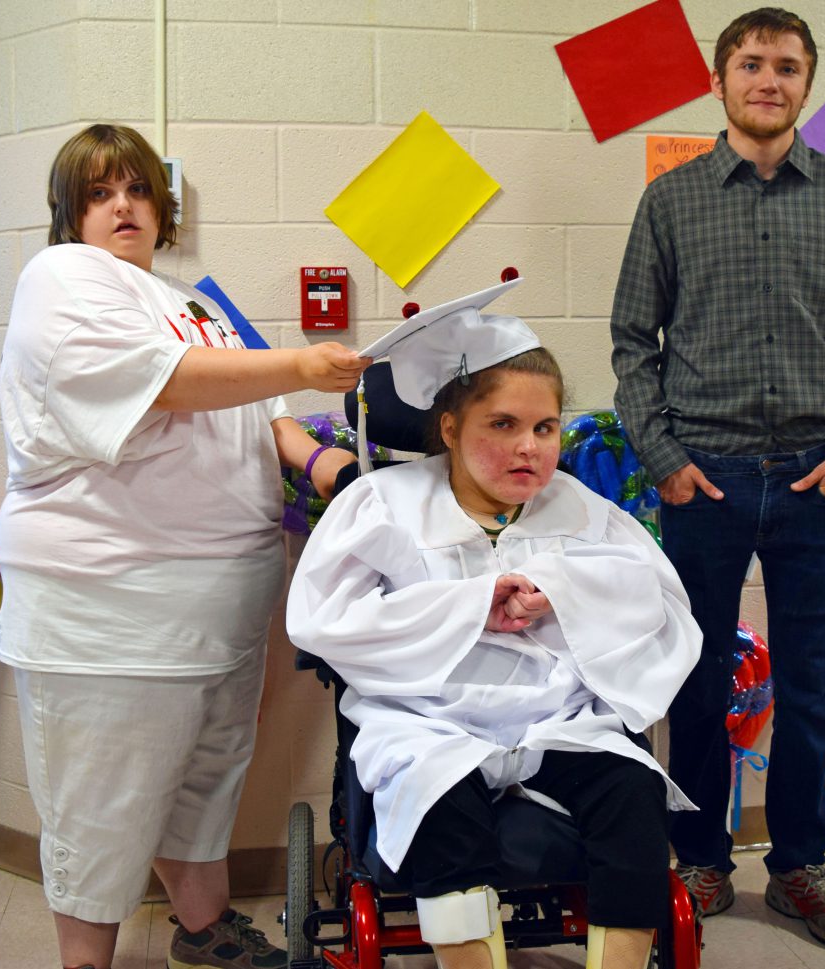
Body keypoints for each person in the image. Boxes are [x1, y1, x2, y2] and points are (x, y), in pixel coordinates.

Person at [0, 123, 370, 969]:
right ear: (70, 216)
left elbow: (255, 412)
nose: (122, 205)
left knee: (201, 782)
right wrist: (305, 364)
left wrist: (324, 463)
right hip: (111, 606)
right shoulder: (61, 278)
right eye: (98, 193)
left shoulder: (193, 299)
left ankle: (204, 931)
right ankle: (84, 959)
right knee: (101, 804)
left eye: (135, 189)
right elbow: (167, 384)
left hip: (219, 604)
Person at [610, 7, 825, 955]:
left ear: (805, 84)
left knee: (814, 682)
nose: (768, 80)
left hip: (817, 483)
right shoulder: (672, 199)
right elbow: (632, 344)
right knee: (696, 677)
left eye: (787, 66)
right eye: (752, 64)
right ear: (721, 80)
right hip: (704, 478)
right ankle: (700, 857)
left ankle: (798, 869)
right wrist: (664, 459)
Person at [286, 281, 703, 969]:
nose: (530, 449)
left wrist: (563, 590)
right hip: (430, 722)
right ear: (450, 428)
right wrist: (466, 606)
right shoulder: (383, 506)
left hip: (554, 719)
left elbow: (654, 596)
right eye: (502, 425)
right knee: (439, 801)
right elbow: (323, 619)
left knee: (633, 791)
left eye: (544, 428)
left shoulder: (578, 506)